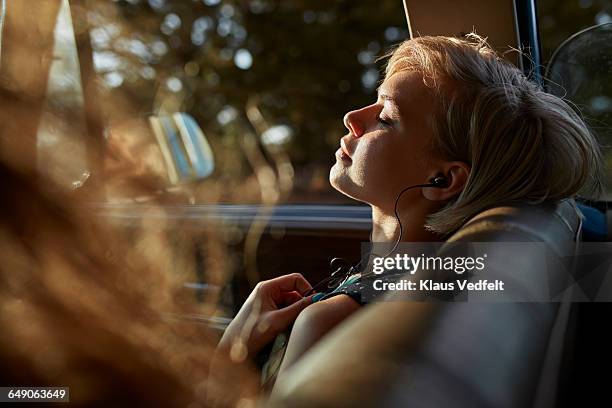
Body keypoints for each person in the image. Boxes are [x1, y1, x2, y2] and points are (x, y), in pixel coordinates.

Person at [215, 33, 604, 394]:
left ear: (443, 179)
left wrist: (230, 353)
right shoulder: (415, 279)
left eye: (386, 117)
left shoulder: (327, 324)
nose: (353, 116)